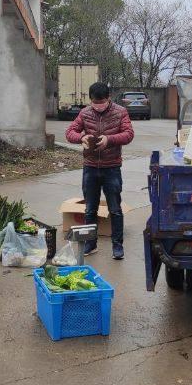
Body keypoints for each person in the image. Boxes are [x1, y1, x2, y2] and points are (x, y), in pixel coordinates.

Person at [65, 82, 135, 260]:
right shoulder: (85, 113)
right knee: (90, 209)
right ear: (90, 100)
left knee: (115, 209)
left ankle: (117, 246)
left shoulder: (120, 112)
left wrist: (109, 140)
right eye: (95, 103)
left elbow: (128, 134)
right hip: (90, 167)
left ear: (109, 98)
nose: (98, 106)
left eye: (101, 102)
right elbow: (70, 132)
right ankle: (90, 243)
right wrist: (82, 137)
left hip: (111, 167)